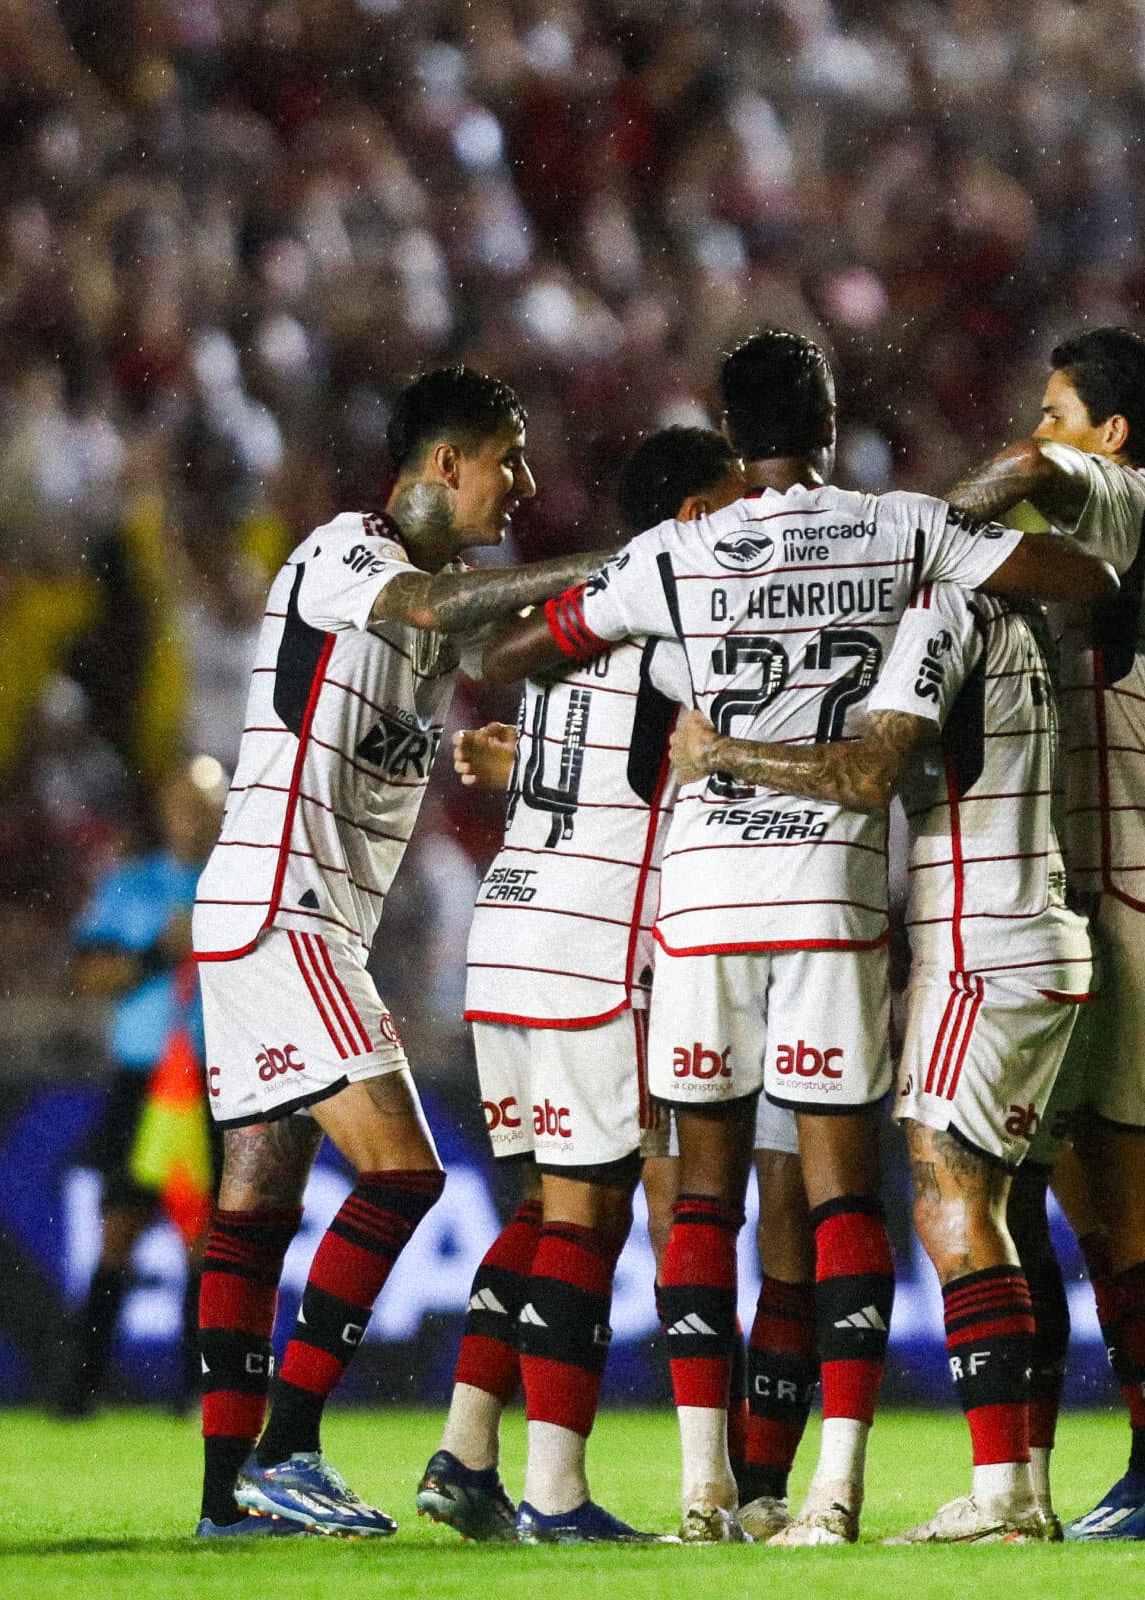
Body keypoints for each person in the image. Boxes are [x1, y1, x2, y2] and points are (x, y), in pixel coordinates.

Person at [481, 329, 1114, 1544]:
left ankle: (704, 1490)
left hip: (705, 897)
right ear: (831, 423)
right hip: (831, 890)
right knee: (839, 1196)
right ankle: (834, 1489)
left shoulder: (674, 554)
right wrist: (951, 552)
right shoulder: (900, 528)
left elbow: (520, 647)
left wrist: (650, 619)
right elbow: (1078, 579)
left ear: (729, 433)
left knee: (702, 1202)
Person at [187, 367, 603, 1538]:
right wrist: (610, 568)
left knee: (258, 1200)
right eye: (509, 458)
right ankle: (287, 1448)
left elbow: (502, 643)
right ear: (447, 462)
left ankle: (228, 1500)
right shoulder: (345, 554)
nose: (524, 483)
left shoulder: (442, 604)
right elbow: (430, 610)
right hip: (286, 907)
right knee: (405, 1172)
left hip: (288, 915)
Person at [667, 572, 1088, 1544]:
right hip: (1042, 922)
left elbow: (867, 773)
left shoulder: (946, 605)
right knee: (1008, 1213)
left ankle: (1002, 1494)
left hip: (980, 935)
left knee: (955, 1211)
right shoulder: (1029, 619)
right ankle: (1021, 1486)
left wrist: (718, 752)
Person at [944, 327, 1145, 1540]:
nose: (1040, 427)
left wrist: (942, 526)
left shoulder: (1131, 500)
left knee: (1134, 1198)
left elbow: (1032, 474)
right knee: (1076, 1191)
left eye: (1058, 408)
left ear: (1111, 436)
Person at [415, 425, 740, 1544]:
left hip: (508, 928)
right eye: (735, 502)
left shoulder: (565, 623)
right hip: (593, 944)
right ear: (692, 517)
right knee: (591, 1214)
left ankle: (466, 1449)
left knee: (544, 1207)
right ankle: (555, 1493)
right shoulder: (679, 618)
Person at [47, 757, 227, 1419]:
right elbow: (89, 975)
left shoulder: (240, 881)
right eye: (183, 805)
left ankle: (197, 1391)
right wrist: (158, 952)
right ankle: (80, 1387)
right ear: (165, 812)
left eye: (205, 806)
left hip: (217, 1078)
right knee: (120, 1225)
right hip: (145, 1077)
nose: (193, 819)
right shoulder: (131, 886)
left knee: (208, 1235)